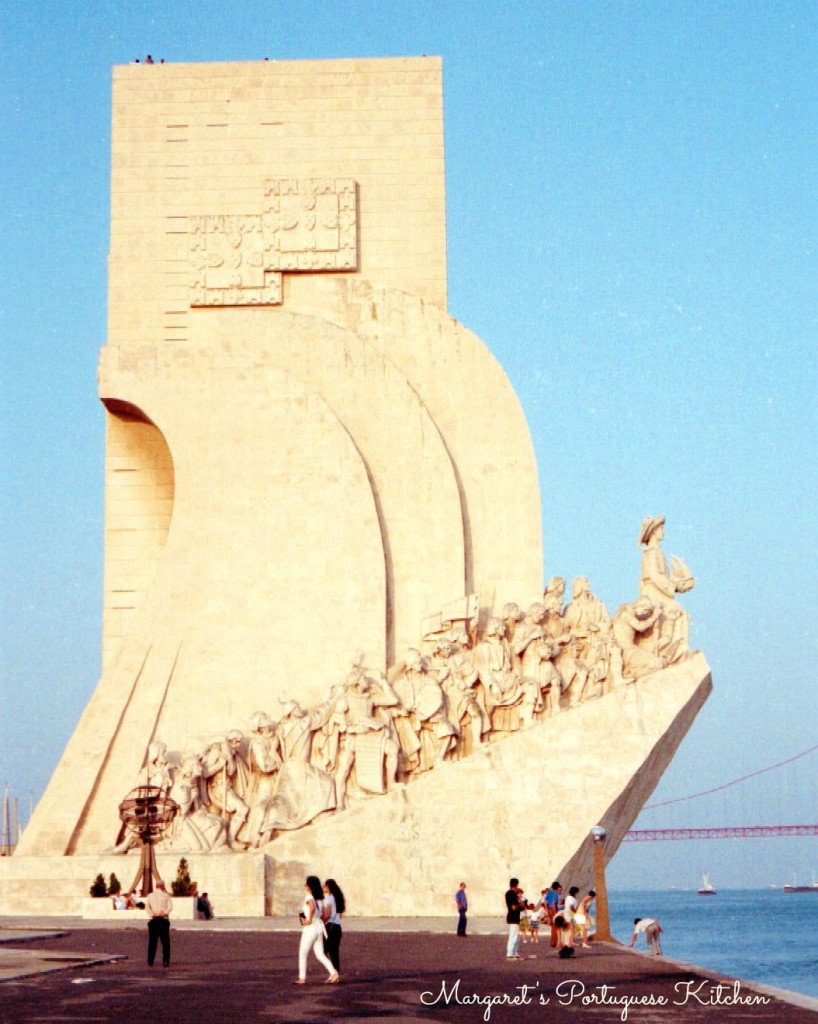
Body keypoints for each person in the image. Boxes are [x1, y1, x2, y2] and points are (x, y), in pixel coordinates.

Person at [295, 875, 338, 985]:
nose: (305, 886)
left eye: (306, 884)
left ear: (310, 886)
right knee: (319, 954)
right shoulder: (321, 898)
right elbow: (324, 913)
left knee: (303, 953)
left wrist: (308, 920)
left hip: (310, 928)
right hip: (319, 926)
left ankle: (302, 978)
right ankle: (333, 973)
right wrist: (319, 920)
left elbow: (312, 907)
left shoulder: (309, 896)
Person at [145, 879, 173, 967]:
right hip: (163, 920)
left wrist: (152, 914)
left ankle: (150, 960)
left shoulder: (150, 896)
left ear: (156, 886)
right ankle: (165, 961)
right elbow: (170, 907)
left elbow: (147, 907)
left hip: (154, 920)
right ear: (162, 886)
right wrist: (164, 912)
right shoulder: (166, 896)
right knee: (165, 942)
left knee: (152, 942)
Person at [322, 878, 345, 972]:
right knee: (334, 952)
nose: (323, 887)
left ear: (328, 887)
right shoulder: (337, 898)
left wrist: (320, 920)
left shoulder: (329, 899)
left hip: (330, 928)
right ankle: (336, 973)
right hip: (337, 927)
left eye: (324, 886)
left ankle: (333, 972)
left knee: (322, 952)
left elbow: (327, 915)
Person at [504, 877, 523, 959]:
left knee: (516, 937)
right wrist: (520, 904)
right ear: (516, 884)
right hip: (513, 917)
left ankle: (514, 953)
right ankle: (509, 954)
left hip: (514, 917)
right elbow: (514, 907)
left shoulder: (509, 893)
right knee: (513, 936)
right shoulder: (512, 894)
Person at [544, 880, 563, 947]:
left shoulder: (549, 893)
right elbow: (553, 904)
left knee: (553, 927)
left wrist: (547, 911)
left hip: (549, 910)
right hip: (553, 910)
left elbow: (545, 902)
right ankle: (556, 942)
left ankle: (553, 942)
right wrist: (555, 913)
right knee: (556, 926)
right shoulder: (555, 893)